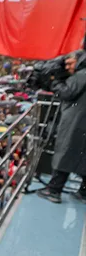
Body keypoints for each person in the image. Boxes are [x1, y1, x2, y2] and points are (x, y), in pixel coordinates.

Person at [38, 51, 86, 204]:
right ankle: (84, 192)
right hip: (81, 120)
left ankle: (54, 190)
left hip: (75, 122)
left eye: (70, 63)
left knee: (65, 152)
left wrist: (55, 82)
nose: (67, 67)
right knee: (81, 155)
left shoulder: (81, 75)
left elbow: (66, 92)